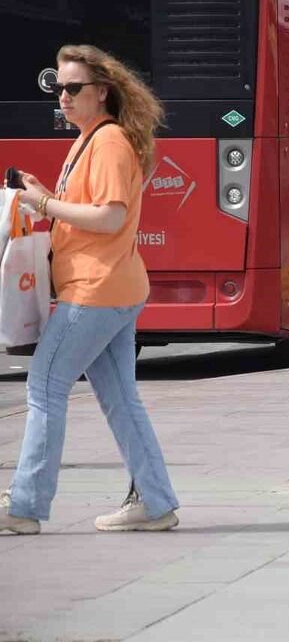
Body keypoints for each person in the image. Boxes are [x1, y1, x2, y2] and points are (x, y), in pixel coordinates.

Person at [1, 45, 179, 535]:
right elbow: (91, 209)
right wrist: (46, 197)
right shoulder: (88, 139)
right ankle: (156, 503)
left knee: (44, 387)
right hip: (113, 287)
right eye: (59, 87)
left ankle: (25, 507)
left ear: (102, 92)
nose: (64, 96)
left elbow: (112, 216)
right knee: (120, 397)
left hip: (96, 290)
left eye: (74, 88)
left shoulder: (109, 143)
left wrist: (49, 206)